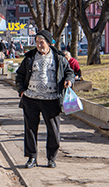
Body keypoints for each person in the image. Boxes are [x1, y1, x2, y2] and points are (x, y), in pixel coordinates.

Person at [15, 30, 74, 168]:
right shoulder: (30, 57)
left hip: (52, 99)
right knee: (30, 129)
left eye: (41, 42)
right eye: (36, 42)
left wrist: (69, 81)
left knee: (53, 130)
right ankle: (32, 158)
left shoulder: (58, 57)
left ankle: (51, 158)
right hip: (31, 99)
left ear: (49, 42)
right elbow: (19, 75)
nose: (39, 45)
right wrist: (22, 91)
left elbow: (69, 72)